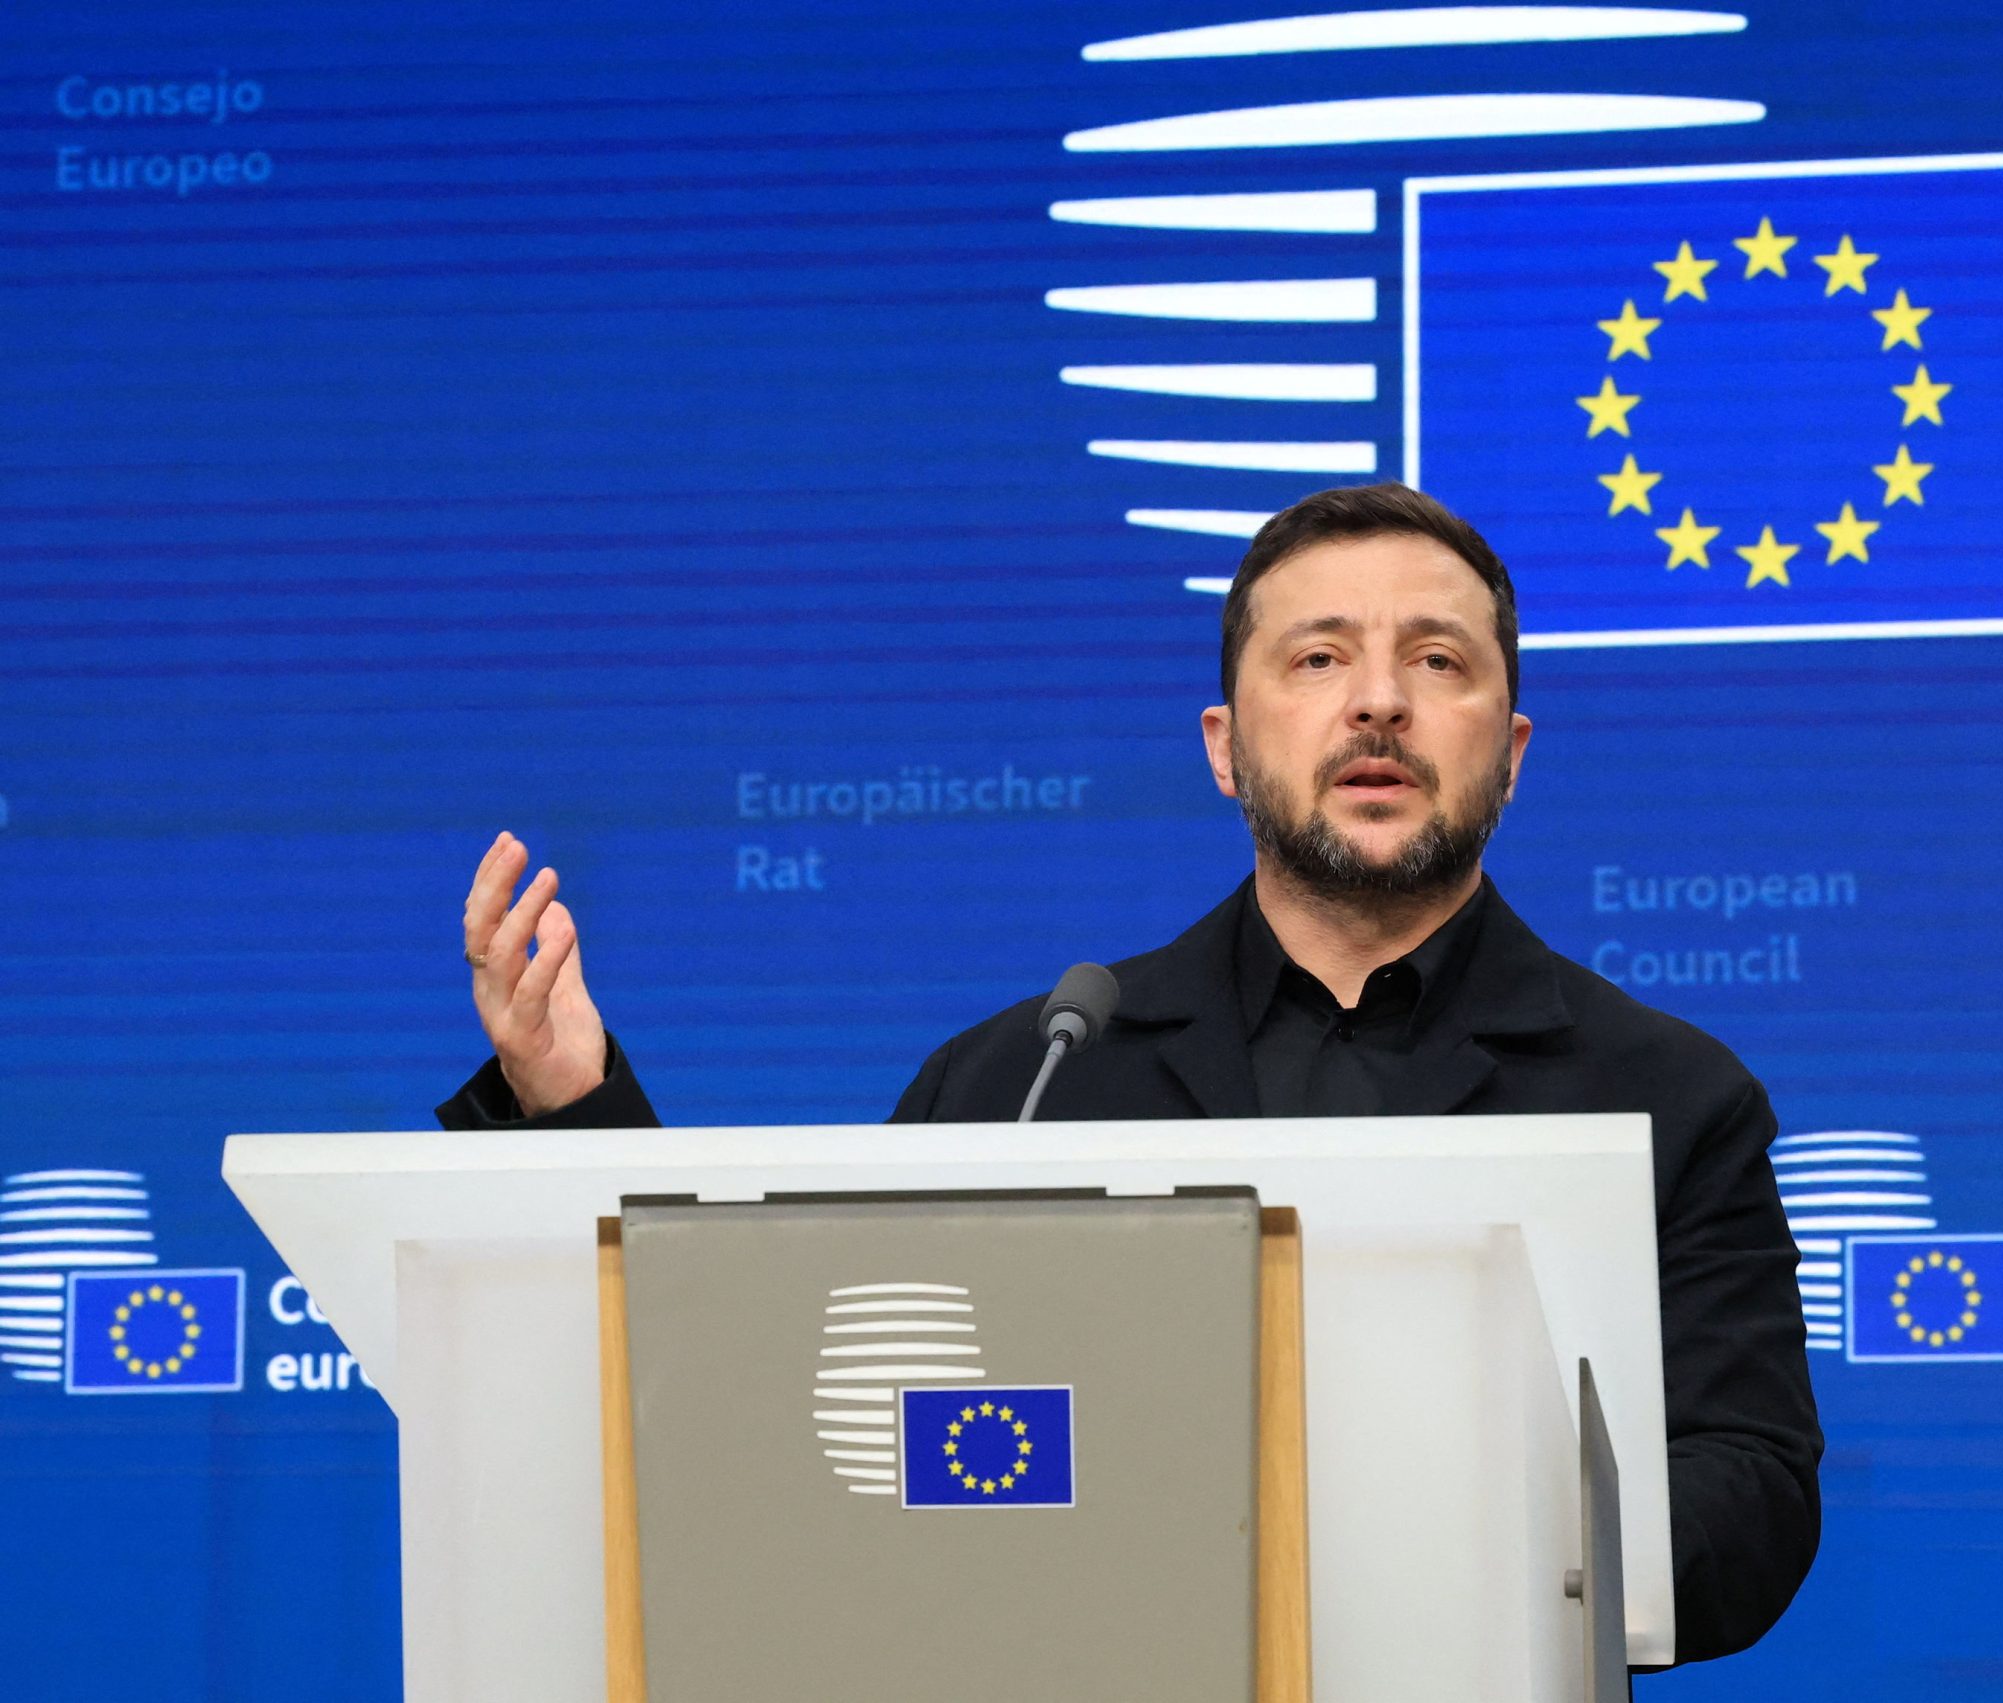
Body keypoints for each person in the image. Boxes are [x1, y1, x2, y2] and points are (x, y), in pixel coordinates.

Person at [440, 482, 1822, 1663]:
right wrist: (574, 1110)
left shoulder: (1667, 1097)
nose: (1380, 702)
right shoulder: (1025, 1078)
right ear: (1224, 747)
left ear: (1510, 757)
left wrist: (1453, 1541)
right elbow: (806, 1425)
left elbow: (1751, 1500)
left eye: (1439, 661)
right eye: (1319, 658)